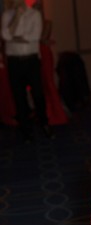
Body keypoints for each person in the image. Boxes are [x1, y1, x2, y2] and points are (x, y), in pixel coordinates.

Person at [1, 0, 54, 143]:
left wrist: (14, 38)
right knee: (19, 97)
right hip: (14, 62)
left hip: (31, 61)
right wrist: (16, 18)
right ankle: (25, 130)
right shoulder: (7, 15)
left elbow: (34, 37)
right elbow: (5, 36)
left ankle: (44, 123)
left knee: (38, 94)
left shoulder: (34, 14)